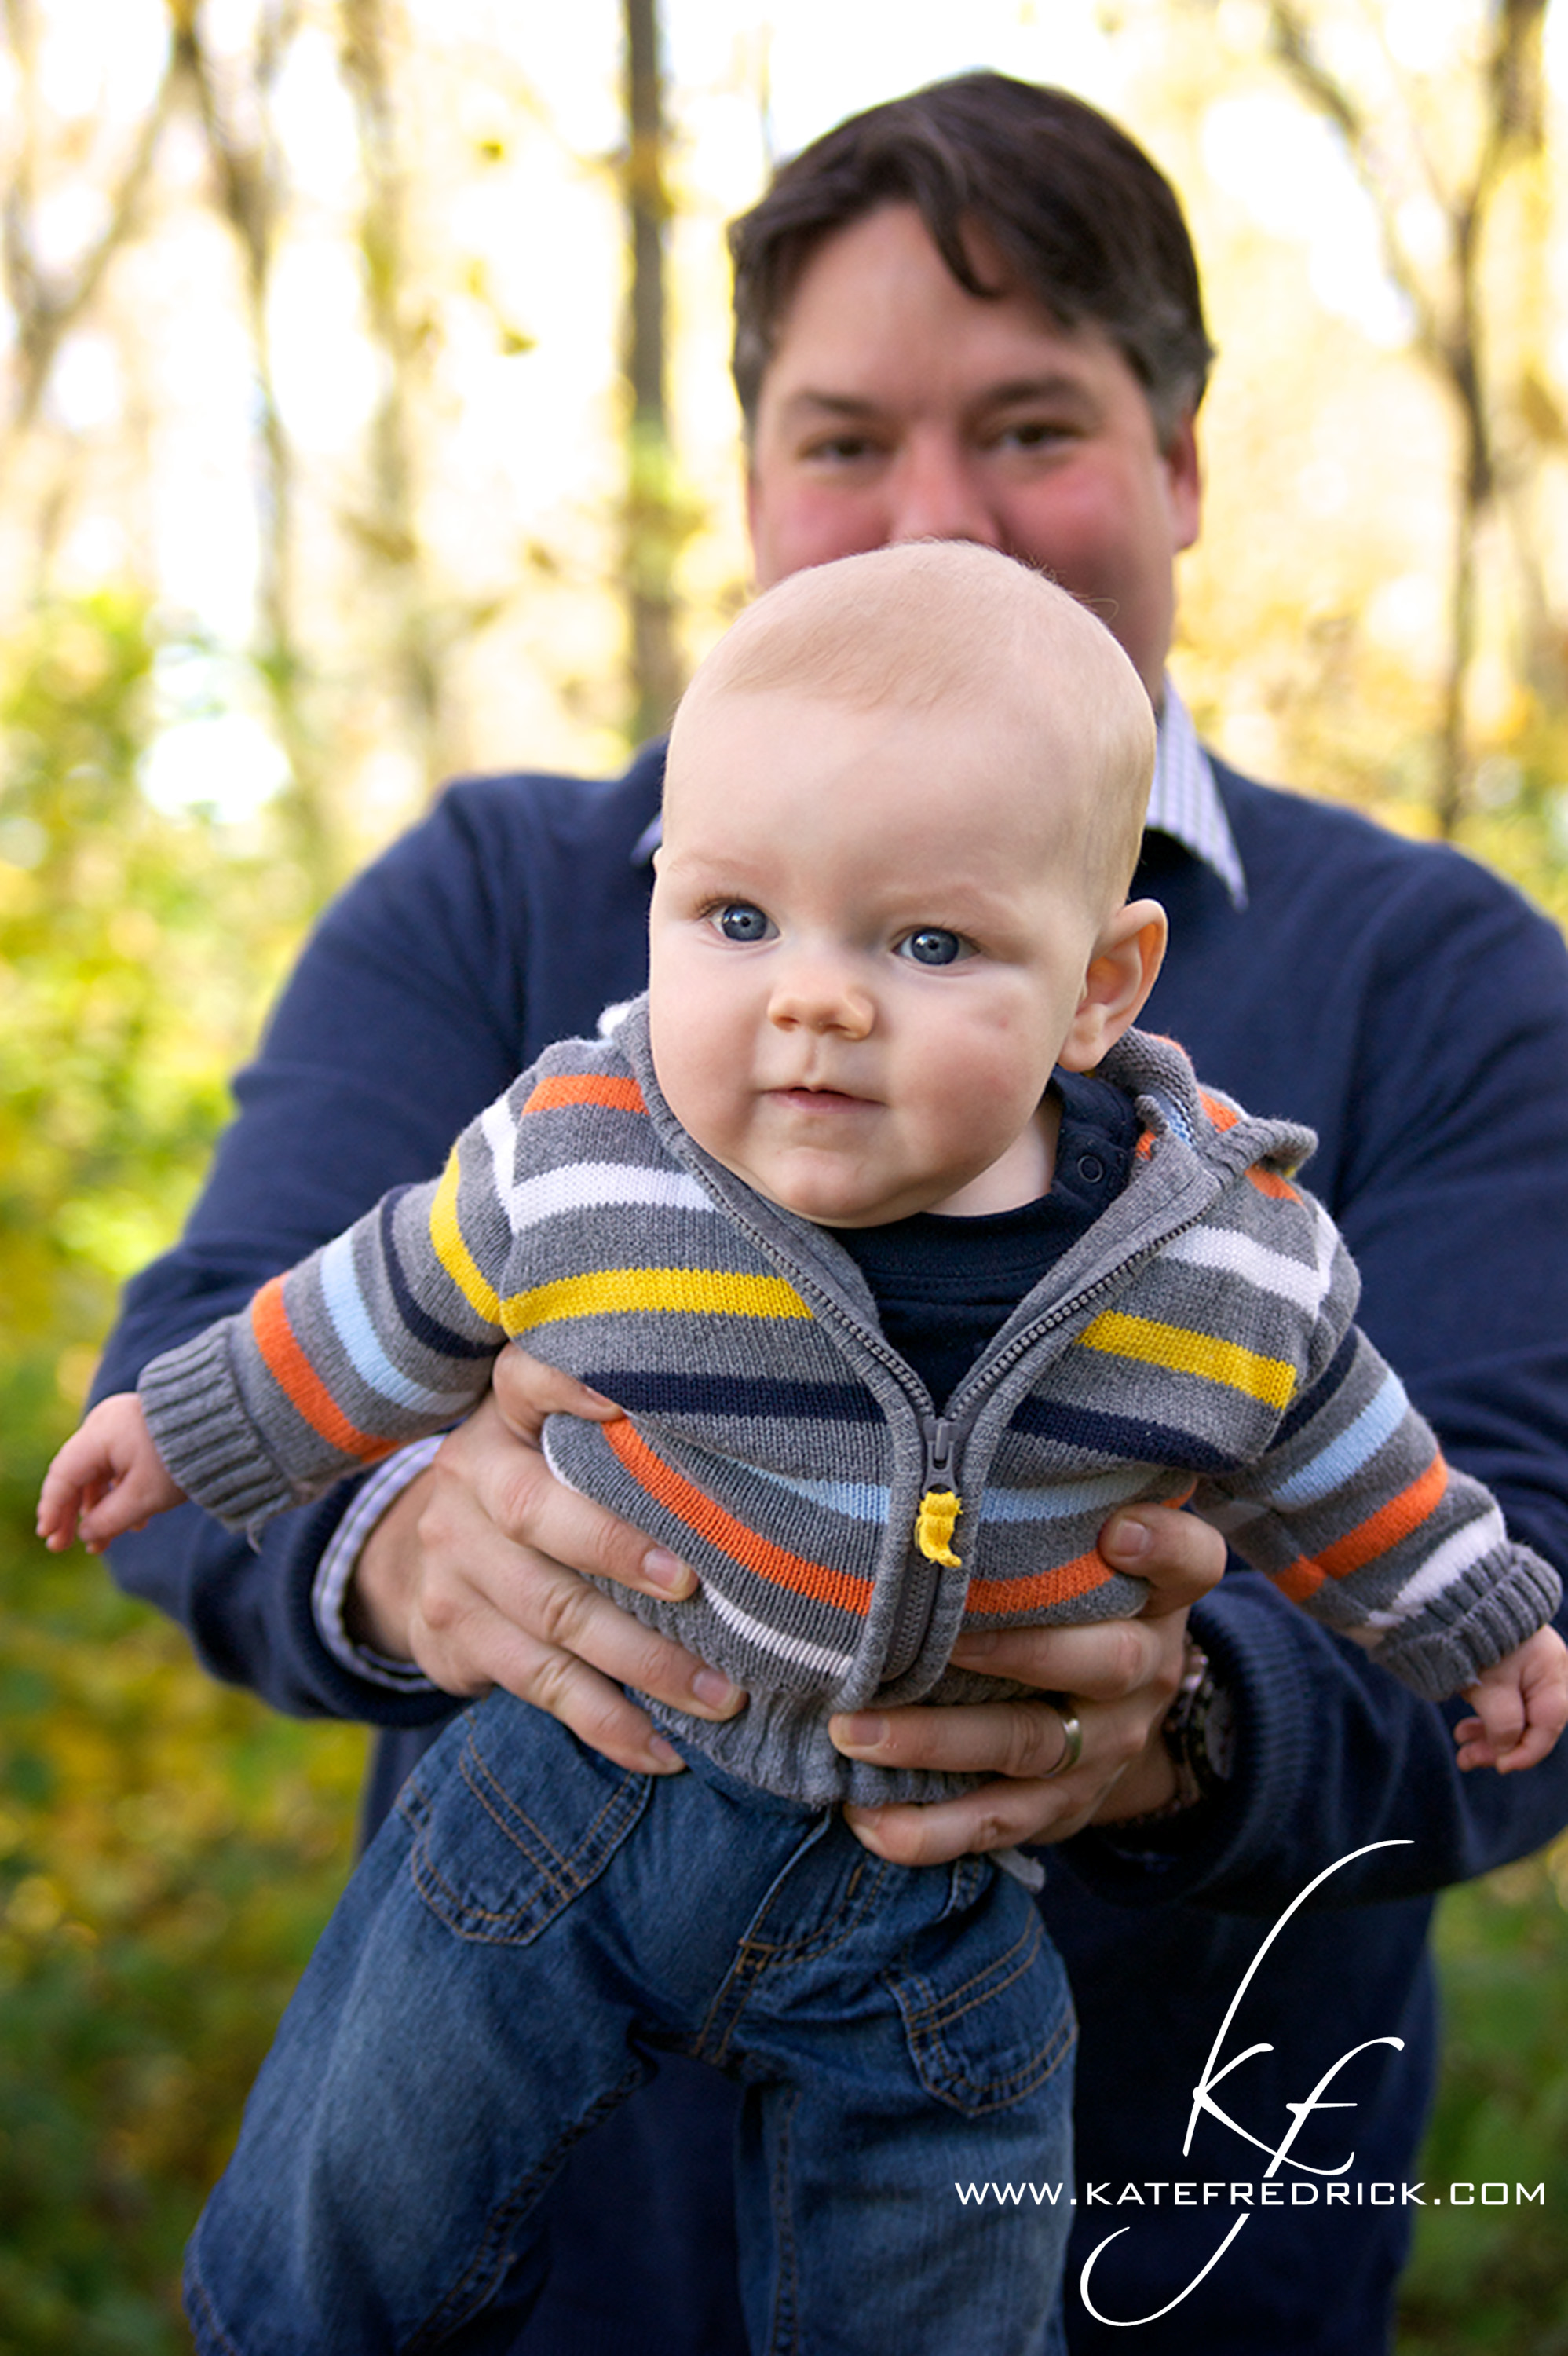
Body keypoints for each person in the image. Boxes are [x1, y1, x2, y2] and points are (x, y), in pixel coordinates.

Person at [90, 72, 1568, 2356]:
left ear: (1181, 464)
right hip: (555, 2253)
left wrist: (1204, 1722)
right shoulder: (509, 908)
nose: (942, 519)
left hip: (1165, 2252)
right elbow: (219, 1376)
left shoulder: (1441, 977)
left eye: (1036, 423)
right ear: (755, 474)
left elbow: (1516, 1563)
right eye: (849, 434)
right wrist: (395, 1539)